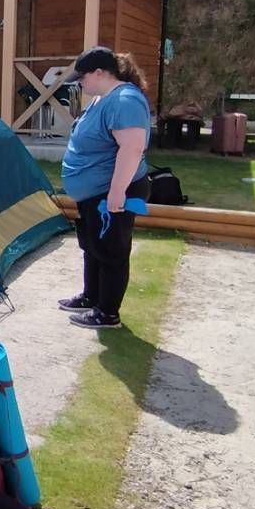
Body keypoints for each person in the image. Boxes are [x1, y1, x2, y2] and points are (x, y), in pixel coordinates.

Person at [57, 46, 152, 330]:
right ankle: (91, 297)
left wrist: (117, 192)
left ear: (100, 73)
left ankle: (107, 312)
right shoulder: (102, 99)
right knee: (93, 247)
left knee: (111, 251)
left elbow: (132, 147)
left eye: (82, 77)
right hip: (93, 194)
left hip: (111, 193)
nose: (79, 83)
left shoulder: (125, 100)